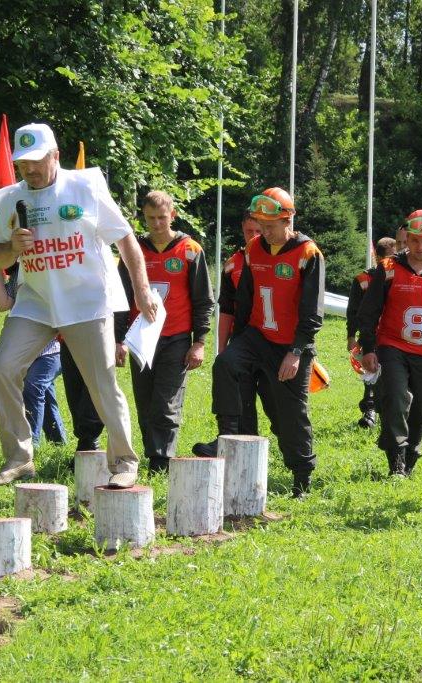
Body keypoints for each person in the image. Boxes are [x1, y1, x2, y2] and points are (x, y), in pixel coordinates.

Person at [0, 122, 156, 488]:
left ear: (55, 156)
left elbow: (126, 241)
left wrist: (141, 292)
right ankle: (19, 458)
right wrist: (12, 248)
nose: (29, 169)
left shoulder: (86, 186)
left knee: (101, 382)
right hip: (37, 301)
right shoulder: (11, 199)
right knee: (1, 368)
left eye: (36, 160)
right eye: (22, 163)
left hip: (86, 300)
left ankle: (124, 461)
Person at [193, 187, 325, 498]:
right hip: (256, 336)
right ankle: (228, 435)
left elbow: (312, 311)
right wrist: (237, 343)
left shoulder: (308, 254)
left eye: (270, 226)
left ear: (288, 219)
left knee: (290, 416)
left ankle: (301, 478)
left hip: (290, 345)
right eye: (260, 226)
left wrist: (296, 352)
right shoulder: (254, 249)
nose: (264, 232)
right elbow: (245, 299)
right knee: (225, 363)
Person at [114, 191, 215, 473]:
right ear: (143, 217)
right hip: (140, 339)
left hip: (177, 338)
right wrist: (118, 339)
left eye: (162, 217)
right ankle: (152, 455)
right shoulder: (133, 251)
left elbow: (203, 300)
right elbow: (120, 298)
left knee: (166, 401)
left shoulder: (190, 250)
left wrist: (200, 342)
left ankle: (162, 460)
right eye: (150, 218)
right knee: (145, 401)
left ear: (173, 216)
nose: (156, 224)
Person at [358, 210, 422, 476]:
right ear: (406, 238)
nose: (420, 246)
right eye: (415, 239)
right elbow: (369, 311)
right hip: (393, 345)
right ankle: (395, 460)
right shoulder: (388, 268)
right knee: (396, 400)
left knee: (420, 409)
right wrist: (368, 348)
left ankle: (411, 457)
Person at [0, 264, 66, 447]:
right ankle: (58, 441)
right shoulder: (19, 272)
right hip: (26, 351)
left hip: (53, 348)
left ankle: (31, 443)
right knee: (44, 392)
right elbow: (3, 304)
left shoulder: (52, 267)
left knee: (33, 386)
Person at [217, 211, 272, 437]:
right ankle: (240, 441)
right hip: (242, 339)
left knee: (276, 403)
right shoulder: (232, 265)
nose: (254, 236)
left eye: (259, 231)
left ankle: (287, 446)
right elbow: (226, 310)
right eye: (250, 231)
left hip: (273, 341)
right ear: (242, 229)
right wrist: (222, 349)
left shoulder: (278, 258)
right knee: (242, 396)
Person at [347, 236, 397, 429]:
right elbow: (353, 310)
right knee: (370, 373)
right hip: (371, 334)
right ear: (378, 258)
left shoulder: (401, 275)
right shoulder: (363, 279)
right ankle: (369, 410)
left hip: (393, 333)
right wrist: (351, 336)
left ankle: (386, 410)